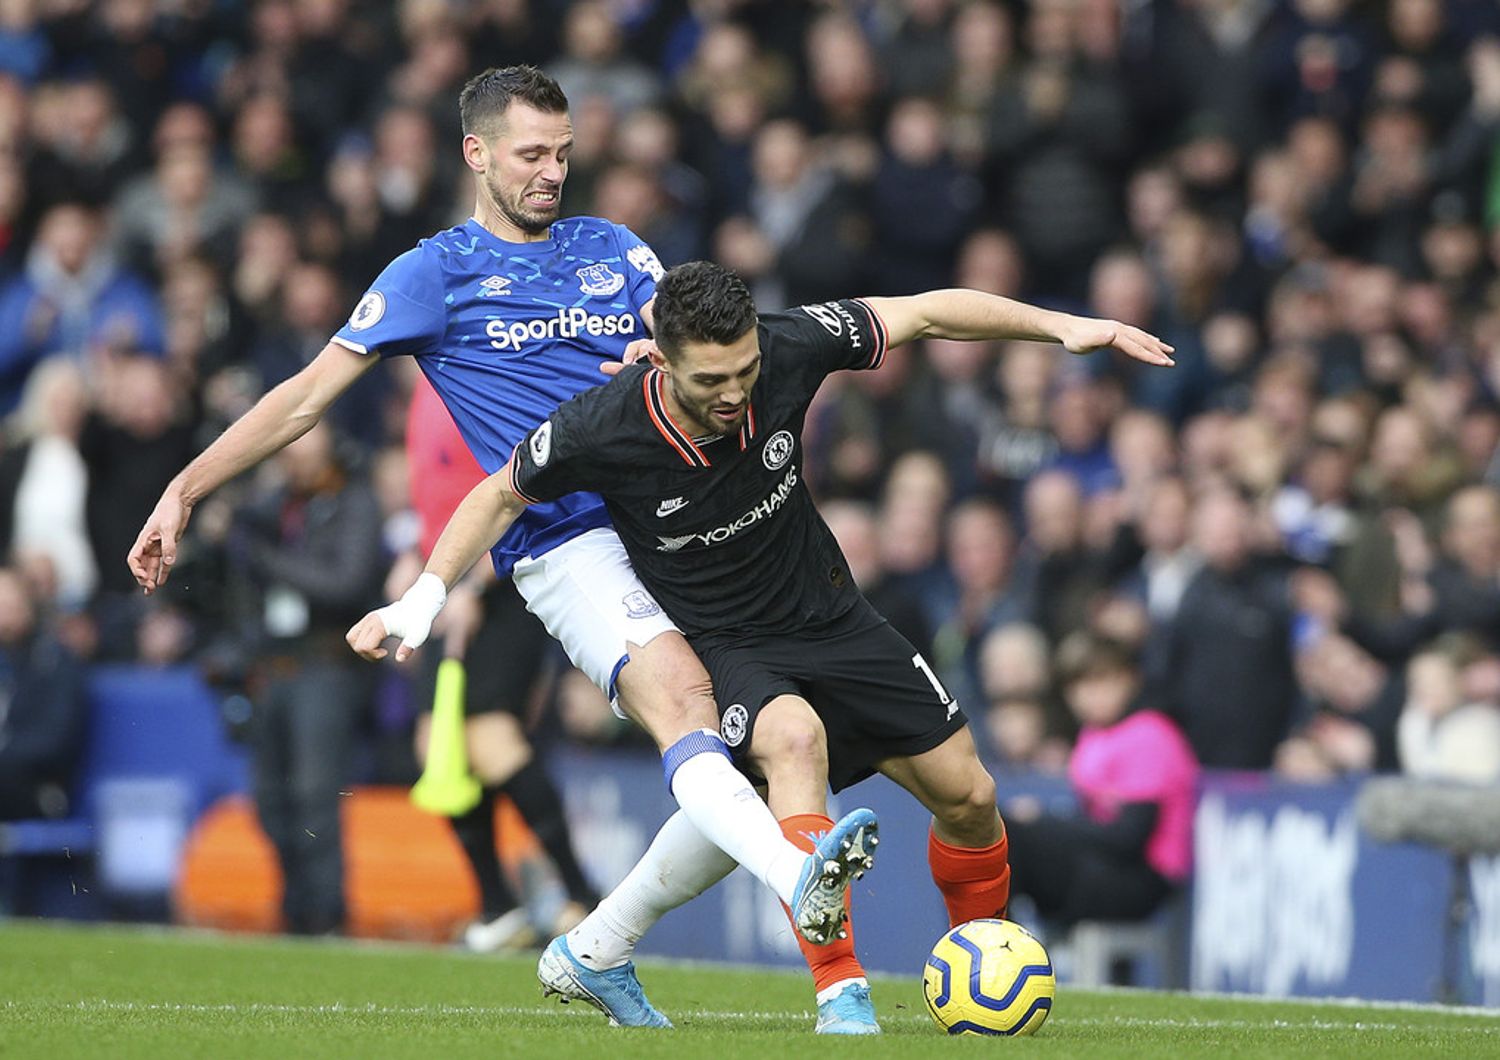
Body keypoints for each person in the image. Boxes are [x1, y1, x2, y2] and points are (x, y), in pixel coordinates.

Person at [127, 64, 877, 1022]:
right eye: (532, 154)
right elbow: (305, 398)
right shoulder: (431, 274)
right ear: (477, 154)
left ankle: (598, 945)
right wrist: (184, 488)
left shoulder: (613, 248)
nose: (553, 172)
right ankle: (799, 874)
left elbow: (686, 342)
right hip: (564, 540)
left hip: (677, 525)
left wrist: (661, 356)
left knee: (760, 750)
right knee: (682, 702)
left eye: (564, 153)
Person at [350, 260, 1174, 1031]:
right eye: (711, 379)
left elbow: (921, 315)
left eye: (744, 371)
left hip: (833, 616)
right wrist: (421, 599)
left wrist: (1060, 326)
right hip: (727, 645)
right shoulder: (603, 425)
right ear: (660, 363)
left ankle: (979, 959)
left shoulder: (784, 348)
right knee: (792, 740)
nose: (735, 392)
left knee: (971, 797)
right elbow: (497, 496)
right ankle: (840, 991)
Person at [400, 376, 598, 950]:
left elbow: (514, 487)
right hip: (443, 581)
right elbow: (437, 493)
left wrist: (472, 582)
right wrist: (417, 562)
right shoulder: (421, 385)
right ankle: (499, 904)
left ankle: (584, 894)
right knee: (436, 744)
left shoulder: (482, 379)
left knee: (490, 737)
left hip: (501, 579)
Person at [227, 421, 385, 934]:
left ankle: (327, 915)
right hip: (273, 667)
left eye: (303, 453)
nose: (293, 464)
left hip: (325, 666)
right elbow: (231, 559)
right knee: (271, 799)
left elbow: (344, 584)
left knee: (317, 798)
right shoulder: (276, 505)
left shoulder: (354, 504)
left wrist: (269, 561)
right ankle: (294, 910)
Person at [1005, 633, 1199, 934]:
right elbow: (1092, 819)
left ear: (1130, 679)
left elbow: (1128, 836)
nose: (1090, 696)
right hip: (1103, 868)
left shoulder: (1150, 734)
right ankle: (996, 942)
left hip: (1144, 879)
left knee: (1008, 834)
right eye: (1080, 685)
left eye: (1102, 682)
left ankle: (999, 950)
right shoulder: (1094, 735)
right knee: (995, 839)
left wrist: (1043, 822)